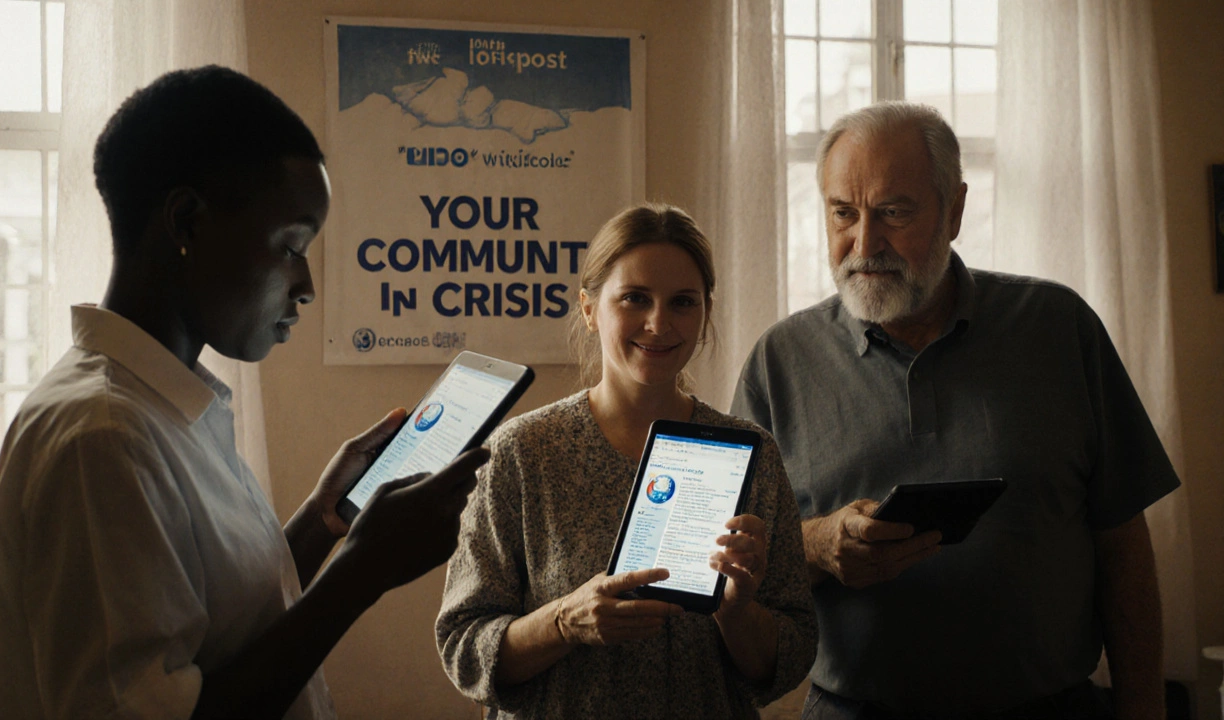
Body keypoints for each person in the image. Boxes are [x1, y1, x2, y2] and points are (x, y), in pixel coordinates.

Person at [0, 66, 487, 720]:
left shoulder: (167, 408)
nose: (305, 285)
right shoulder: (103, 438)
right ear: (188, 221)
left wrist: (319, 523)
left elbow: (218, 632)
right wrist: (359, 575)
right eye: (290, 246)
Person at [732, 101, 1179, 719]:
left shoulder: (1059, 328)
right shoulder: (779, 360)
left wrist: (1145, 711)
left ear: (956, 210)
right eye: (844, 213)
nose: (865, 244)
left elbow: (1123, 548)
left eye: (894, 212)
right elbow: (736, 562)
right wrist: (818, 542)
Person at [436, 204, 818, 719]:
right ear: (590, 309)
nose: (658, 324)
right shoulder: (524, 452)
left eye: (682, 302)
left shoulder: (752, 455)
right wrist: (564, 622)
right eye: (635, 298)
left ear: (706, 312)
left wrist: (735, 610)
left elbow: (789, 657)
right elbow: (464, 648)